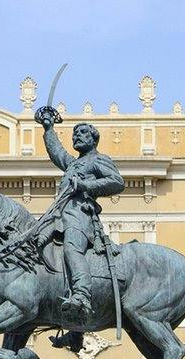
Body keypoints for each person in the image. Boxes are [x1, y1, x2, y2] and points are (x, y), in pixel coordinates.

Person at [35, 105, 126, 319]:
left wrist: (85, 186)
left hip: (81, 217)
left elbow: (117, 182)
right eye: (74, 133)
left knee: (71, 249)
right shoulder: (73, 164)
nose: (76, 136)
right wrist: (48, 129)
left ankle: (82, 297)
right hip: (58, 217)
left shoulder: (98, 160)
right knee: (35, 246)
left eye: (82, 133)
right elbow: (57, 152)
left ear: (94, 139)